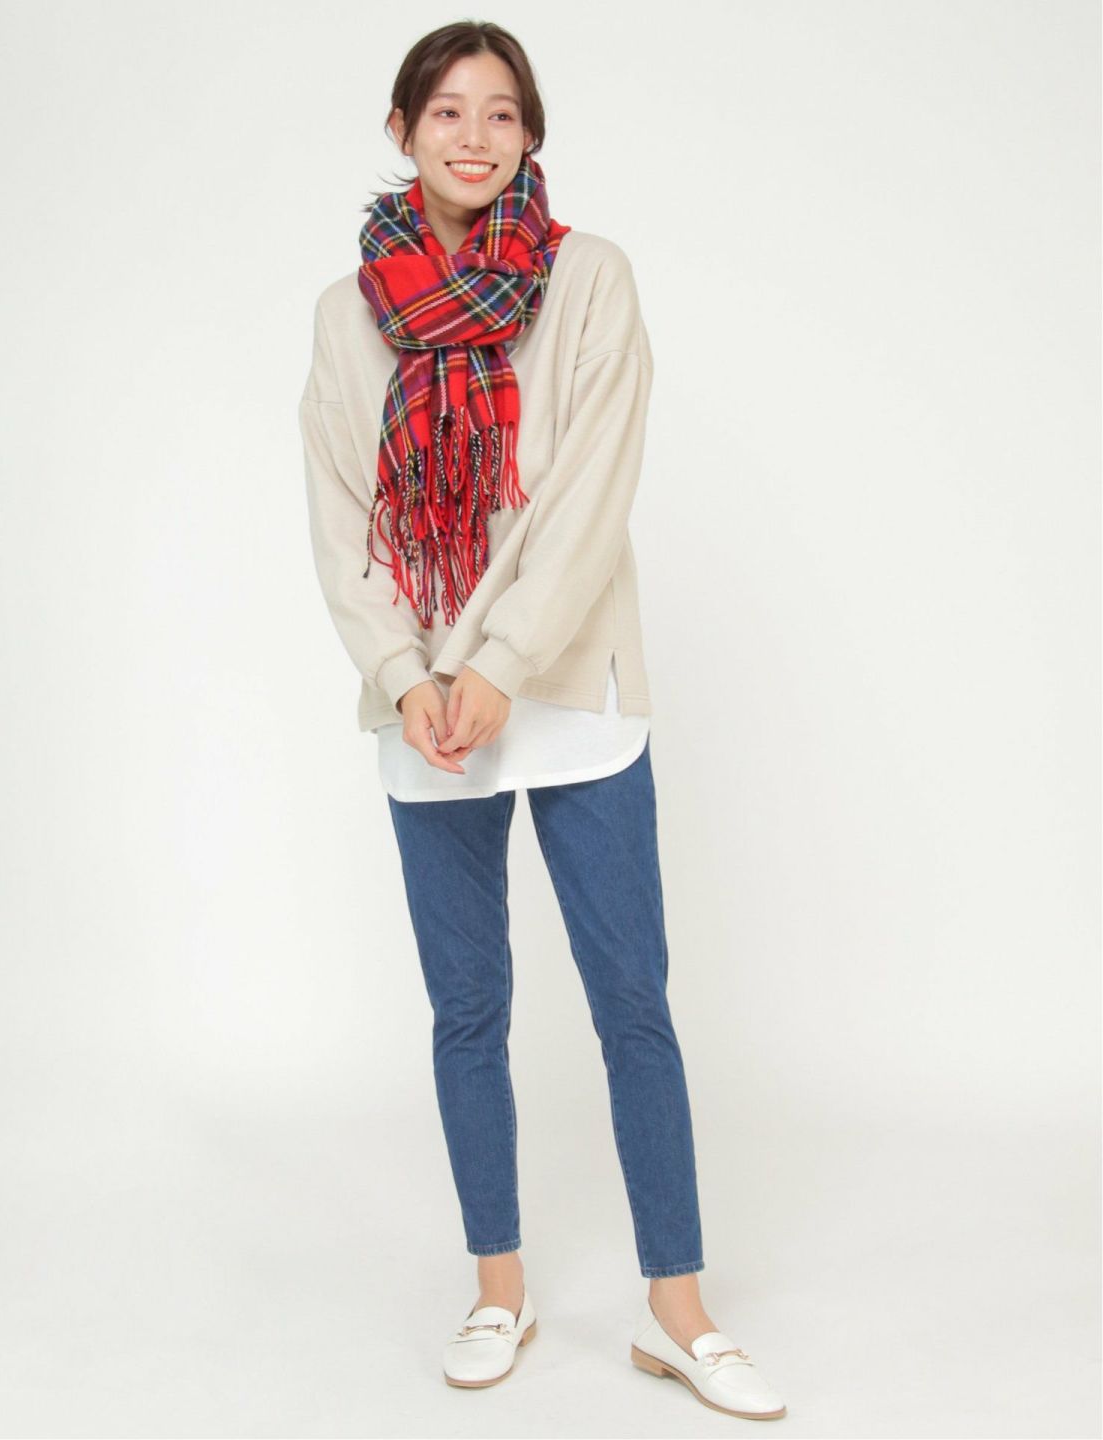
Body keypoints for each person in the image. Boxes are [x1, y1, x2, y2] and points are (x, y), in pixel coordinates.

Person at [298, 19, 786, 1421]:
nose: (475, 135)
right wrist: (408, 676)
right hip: (426, 705)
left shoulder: (590, 279)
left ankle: (678, 1313)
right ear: (403, 130)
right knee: (470, 1010)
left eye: (502, 113)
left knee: (634, 1001)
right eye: (447, 110)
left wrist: (500, 661)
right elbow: (342, 513)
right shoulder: (346, 314)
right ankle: (498, 1291)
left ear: (530, 136)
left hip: (569, 684)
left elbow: (587, 497)